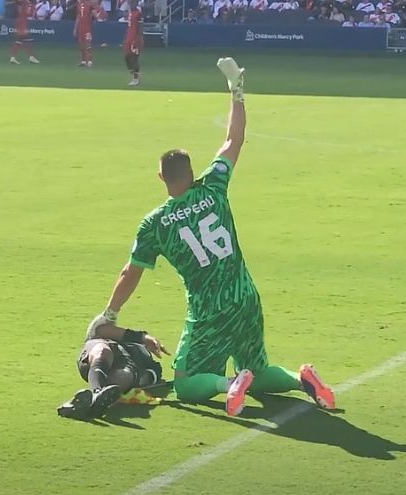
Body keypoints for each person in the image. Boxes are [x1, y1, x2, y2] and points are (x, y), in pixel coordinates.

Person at [94, 58, 337, 417]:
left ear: (161, 178)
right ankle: (301, 379)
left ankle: (229, 384)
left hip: (209, 308)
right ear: (193, 172)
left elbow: (131, 272)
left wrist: (110, 313)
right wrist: (236, 91)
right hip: (245, 294)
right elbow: (233, 139)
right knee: (261, 368)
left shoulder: (155, 224)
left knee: (187, 383)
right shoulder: (214, 187)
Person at [58, 321, 171, 419]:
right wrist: (143, 337)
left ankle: (84, 405)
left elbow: (152, 375)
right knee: (102, 351)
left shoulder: (148, 361)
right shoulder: (129, 337)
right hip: (99, 350)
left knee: (124, 376)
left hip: (127, 366)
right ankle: (97, 392)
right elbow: (102, 330)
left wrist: (141, 380)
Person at [123, 0, 143, 86]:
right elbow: (129, 27)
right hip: (129, 38)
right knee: (127, 57)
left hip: (135, 39)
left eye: (132, 3)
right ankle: (133, 71)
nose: (130, 4)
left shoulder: (138, 13)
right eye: (130, 3)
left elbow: (140, 27)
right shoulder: (129, 13)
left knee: (134, 58)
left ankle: (136, 79)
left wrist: (138, 38)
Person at [75, 0, 95, 66]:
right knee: (81, 45)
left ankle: (89, 61)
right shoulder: (79, 5)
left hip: (87, 28)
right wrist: (75, 28)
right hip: (81, 28)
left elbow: (93, 14)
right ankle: (83, 61)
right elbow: (78, 17)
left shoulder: (90, 4)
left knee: (88, 44)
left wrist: (94, 16)